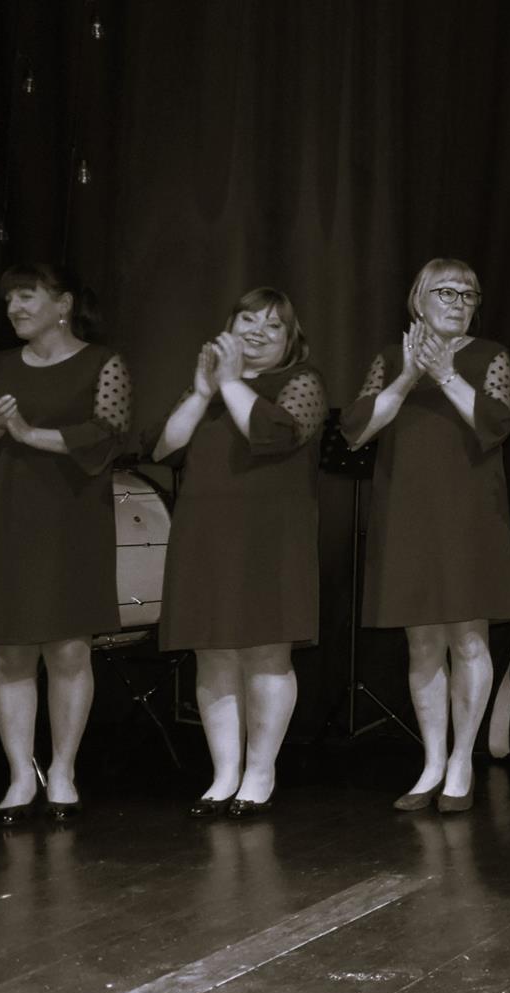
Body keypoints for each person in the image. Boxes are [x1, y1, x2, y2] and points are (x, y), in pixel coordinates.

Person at [0, 264, 132, 825]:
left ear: (63, 304)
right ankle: (19, 776)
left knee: (69, 649)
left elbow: (107, 435)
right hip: (8, 517)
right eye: (9, 299)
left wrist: (28, 432)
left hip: (72, 518)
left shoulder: (102, 362)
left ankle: (63, 771)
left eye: (26, 296)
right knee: (10, 652)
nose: (14, 308)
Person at [341, 259, 510, 813]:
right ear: (418, 299)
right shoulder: (389, 358)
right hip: (407, 513)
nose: (459, 301)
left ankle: (463, 760)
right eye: (446, 291)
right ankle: (433, 763)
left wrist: (444, 374)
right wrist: (410, 374)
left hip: (470, 515)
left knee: (469, 639)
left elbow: (497, 423)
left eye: (469, 293)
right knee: (421, 643)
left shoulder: (491, 355)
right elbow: (357, 429)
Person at [152, 288, 326, 819]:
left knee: (267, 652)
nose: (257, 332)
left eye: (273, 326)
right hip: (206, 534)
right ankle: (224, 772)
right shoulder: (207, 388)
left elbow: (274, 435)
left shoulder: (302, 381)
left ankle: (260, 770)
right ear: (228, 327)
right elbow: (163, 448)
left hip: (272, 538)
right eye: (247, 320)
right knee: (214, 652)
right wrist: (203, 391)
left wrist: (229, 383)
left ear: (290, 340)